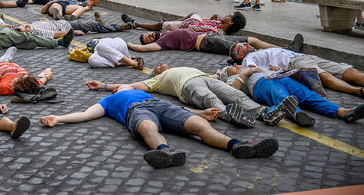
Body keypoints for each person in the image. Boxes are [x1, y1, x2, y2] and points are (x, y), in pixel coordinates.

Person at [41, 85, 279, 169]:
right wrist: (59, 118)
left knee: (199, 124)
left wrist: (201, 112)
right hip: (138, 112)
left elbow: (181, 109)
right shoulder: (110, 100)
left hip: (162, 106)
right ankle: (166, 154)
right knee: (146, 127)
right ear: (116, 90)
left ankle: (237, 146)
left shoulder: (142, 91)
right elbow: (85, 114)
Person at [87, 63, 296, 128]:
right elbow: (130, 84)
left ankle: (266, 113)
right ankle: (232, 117)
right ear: (156, 73)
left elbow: (222, 75)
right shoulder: (155, 81)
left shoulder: (183, 66)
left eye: (161, 64)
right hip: (187, 87)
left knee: (236, 95)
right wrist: (104, 85)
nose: (160, 64)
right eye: (158, 66)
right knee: (211, 100)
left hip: (207, 78)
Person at [219, 64, 364, 126]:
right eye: (230, 68)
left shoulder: (252, 66)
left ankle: (342, 112)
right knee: (282, 98)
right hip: (262, 84)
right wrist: (245, 73)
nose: (235, 66)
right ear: (228, 74)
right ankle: (297, 115)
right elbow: (233, 90)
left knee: (309, 96)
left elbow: (275, 68)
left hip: (282, 77)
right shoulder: (234, 78)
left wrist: (276, 68)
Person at [230, 44, 364, 98]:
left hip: (301, 56)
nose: (246, 44)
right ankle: (358, 91)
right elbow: (254, 70)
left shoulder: (260, 50)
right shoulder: (248, 58)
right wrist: (272, 69)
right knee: (324, 76)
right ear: (240, 55)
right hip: (293, 63)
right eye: (242, 46)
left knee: (348, 71)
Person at [127, 28, 281, 55]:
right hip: (206, 43)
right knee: (242, 49)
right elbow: (141, 49)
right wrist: (128, 45)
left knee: (252, 39)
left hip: (211, 36)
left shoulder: (166, 32)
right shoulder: (163, 42)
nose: (149, 35)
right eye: (147, 38)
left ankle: (284, 49)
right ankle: (272, 55)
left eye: (147, 34)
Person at [121, 11, 246, 35]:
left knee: (160, 26)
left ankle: (136, 23)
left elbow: (195, 33)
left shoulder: (217, 32)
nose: (225, 15)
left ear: (230, 22)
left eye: (228, 16)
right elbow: (215, 18)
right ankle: (169, 23)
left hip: (187, 28)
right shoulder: (219, 23)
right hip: (193, 22)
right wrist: (215, 18)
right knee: (194, 14)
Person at [16, 17, 133, 39]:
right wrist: (73, 32)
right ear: (27, 33)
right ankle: (119, 27)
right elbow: (55, 34)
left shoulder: (31, 26)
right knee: (91, 26)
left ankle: (100, 24)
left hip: (62, 22)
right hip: (67, 26)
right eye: (25, 29)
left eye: (22, 26)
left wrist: (43, 20)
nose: (25, 26)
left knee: (90, 26)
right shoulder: (37, 32)